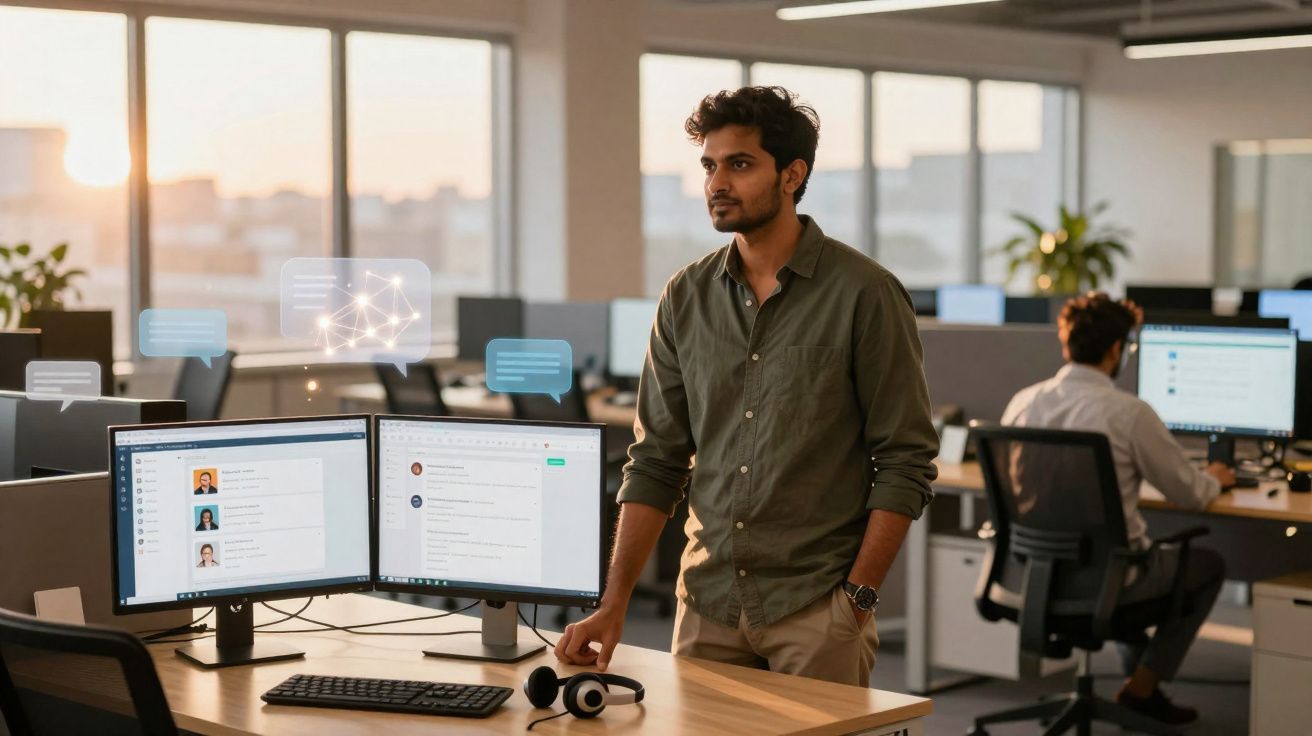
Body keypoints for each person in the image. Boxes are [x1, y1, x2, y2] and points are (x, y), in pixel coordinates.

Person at [554, 86, 939, 687]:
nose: (717, 183)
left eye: (739, 164)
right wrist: (615, 600)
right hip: (706, 606)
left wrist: (857, 599)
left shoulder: (864, 293)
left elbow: (906, 459)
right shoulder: (686, 296)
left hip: (815, 607)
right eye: (709, 165)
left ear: (792, 174)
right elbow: (656, 459)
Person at [1001, 292, 1233, 726]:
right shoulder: (1128, 413)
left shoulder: (1023, 403)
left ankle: (1139, 680)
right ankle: (1141, 688)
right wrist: (1215, 478)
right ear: (1116, 349)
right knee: (1207, 566)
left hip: (1036, 574)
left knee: (1137, 549)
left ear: (1066, 342)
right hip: (1111, 579)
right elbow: (1193, 494)